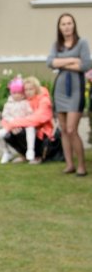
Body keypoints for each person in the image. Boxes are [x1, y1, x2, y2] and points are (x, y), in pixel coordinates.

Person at [47, 12, 91, 176]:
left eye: (69, 23)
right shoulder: (56, 45)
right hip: (60, 89)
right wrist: (72, 60)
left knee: (72, 129)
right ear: (59, 27)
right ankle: (69, 164)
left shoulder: (82, 43)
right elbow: (49, 62)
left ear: (74, 25)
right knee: (64, 129)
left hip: (75, 89)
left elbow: (85, 65)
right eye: (63, 24)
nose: (66, 27)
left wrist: (60, 63)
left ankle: (81, 165)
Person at [0, 76, 55, 164]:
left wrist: (14, 124)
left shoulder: (44, 100)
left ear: (36, 89)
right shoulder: (23, 101)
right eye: (26, 90)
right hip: (25, 127)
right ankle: (24, 155)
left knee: (25, 132)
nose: (28, 92)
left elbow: (37, 119)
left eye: (31, 89)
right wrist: (11, 126)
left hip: (43, 132)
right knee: (8, 135)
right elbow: (5, 117)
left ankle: (38, 155)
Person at [0, 76, 36, 164]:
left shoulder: (26, 103)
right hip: (12, 125)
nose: (17, 95)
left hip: (25, 125)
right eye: (14, 93)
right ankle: (6, 152)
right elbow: (5, 115)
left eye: (19, 93)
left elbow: (30, 114)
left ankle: (30, 150)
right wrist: (12, 122)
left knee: (30, 129)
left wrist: (22, 121)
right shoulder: (8, 104)